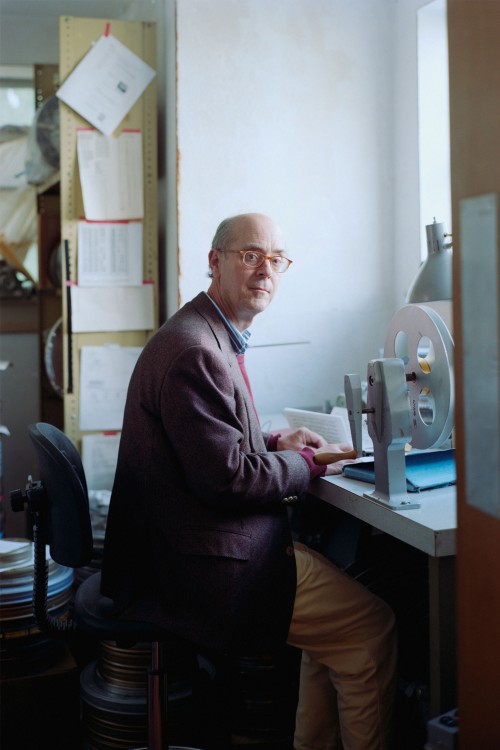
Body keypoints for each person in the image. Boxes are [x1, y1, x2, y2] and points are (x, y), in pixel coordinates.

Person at [101, 212, 397, 750]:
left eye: (276, 260)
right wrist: (308, 464)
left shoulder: (206, 331)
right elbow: (228, 479)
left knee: (337, 635)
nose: (265, 271)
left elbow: (215, 445)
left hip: (186, 546)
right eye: (251, 255)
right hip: (201, 567)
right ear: (215, 261)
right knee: (370, 629)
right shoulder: (196, 350)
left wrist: (276, 442)